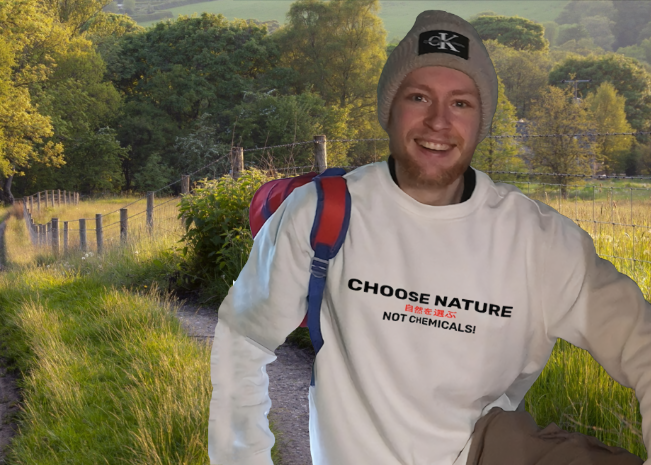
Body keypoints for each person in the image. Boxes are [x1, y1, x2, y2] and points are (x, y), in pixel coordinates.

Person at [208, 10, 650, 465]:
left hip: (484, 452)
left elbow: (641, 342)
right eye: (419, 97)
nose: (439, 121)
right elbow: (245, 338)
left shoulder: (538, 240)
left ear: (481, 120)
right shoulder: (323, 212)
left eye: (461, 103)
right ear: (389, 110)